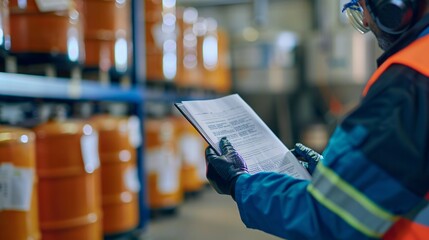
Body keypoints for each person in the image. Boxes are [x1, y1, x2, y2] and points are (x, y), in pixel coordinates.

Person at [204, 0, 429, 239]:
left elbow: (330, 217)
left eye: (364, 7)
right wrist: (341, 172)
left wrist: (239, 184)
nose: (364, 21)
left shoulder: (408, 82)